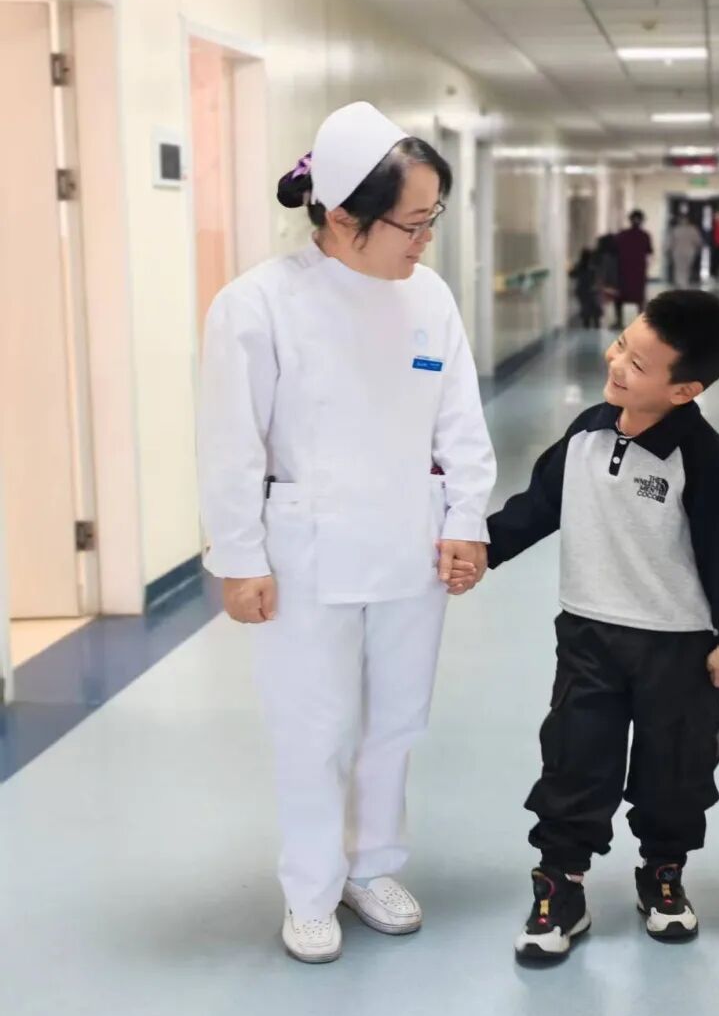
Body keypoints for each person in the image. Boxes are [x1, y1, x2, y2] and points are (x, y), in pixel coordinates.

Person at [197, 102, 496, 964]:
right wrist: (238, 557)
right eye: (411, 223)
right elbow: (229, 443)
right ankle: (310, 887)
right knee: (314, 727)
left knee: (397, 718)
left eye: (433, 219)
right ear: (339, 217)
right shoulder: (257, 305)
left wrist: (466, 519)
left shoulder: (429, 296)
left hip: (410, 540)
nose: (424, 241)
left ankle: (372, 866)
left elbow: (459, 419)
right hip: (303, 551)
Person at [485, 290, 719, 960]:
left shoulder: (700, 455)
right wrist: (481, 549)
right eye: (621, 346)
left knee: (675, 765)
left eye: (638, 363)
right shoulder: (586, 432)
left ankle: (662, 871)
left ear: (685, 390)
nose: (616, 364)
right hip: (588, 630)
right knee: (574, 756)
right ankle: (560, 885)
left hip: (678, 644)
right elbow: (539, 505)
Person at [613, 210, 653, 329]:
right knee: (638, 296)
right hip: (638, 270)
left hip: (623, 269)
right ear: (642, 221)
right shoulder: (645, 235)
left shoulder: (622, 235)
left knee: (620, 295)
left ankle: (619, 321)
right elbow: (649, 251)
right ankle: (640, 323)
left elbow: (614, 250)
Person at [669, 214, 704, 290]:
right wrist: (698, 249)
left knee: (678, 268)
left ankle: (679, 283)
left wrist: (668, 250)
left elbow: (671, 242)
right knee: (687, 268)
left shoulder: (676, 229)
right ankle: (684, 284)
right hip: (689, 252)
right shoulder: (693, 229)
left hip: (677, 252)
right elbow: (698, 242)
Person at [569, 247, 601, 329]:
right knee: (595, 313)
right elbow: (595, 280)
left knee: (586, 312)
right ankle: (596, 331)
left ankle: (586, 329)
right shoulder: (593, 266)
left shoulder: (578, 266)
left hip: (582, 291)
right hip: (591, 291)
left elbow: (571, 274)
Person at [594, 234, 620, 326]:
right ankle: (615, 320)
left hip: (603, 282)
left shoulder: (599, 255)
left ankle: (599, 320)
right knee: (614, 302)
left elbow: (599, 271)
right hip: (614, 282)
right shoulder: (615, 255)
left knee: (601, 302)